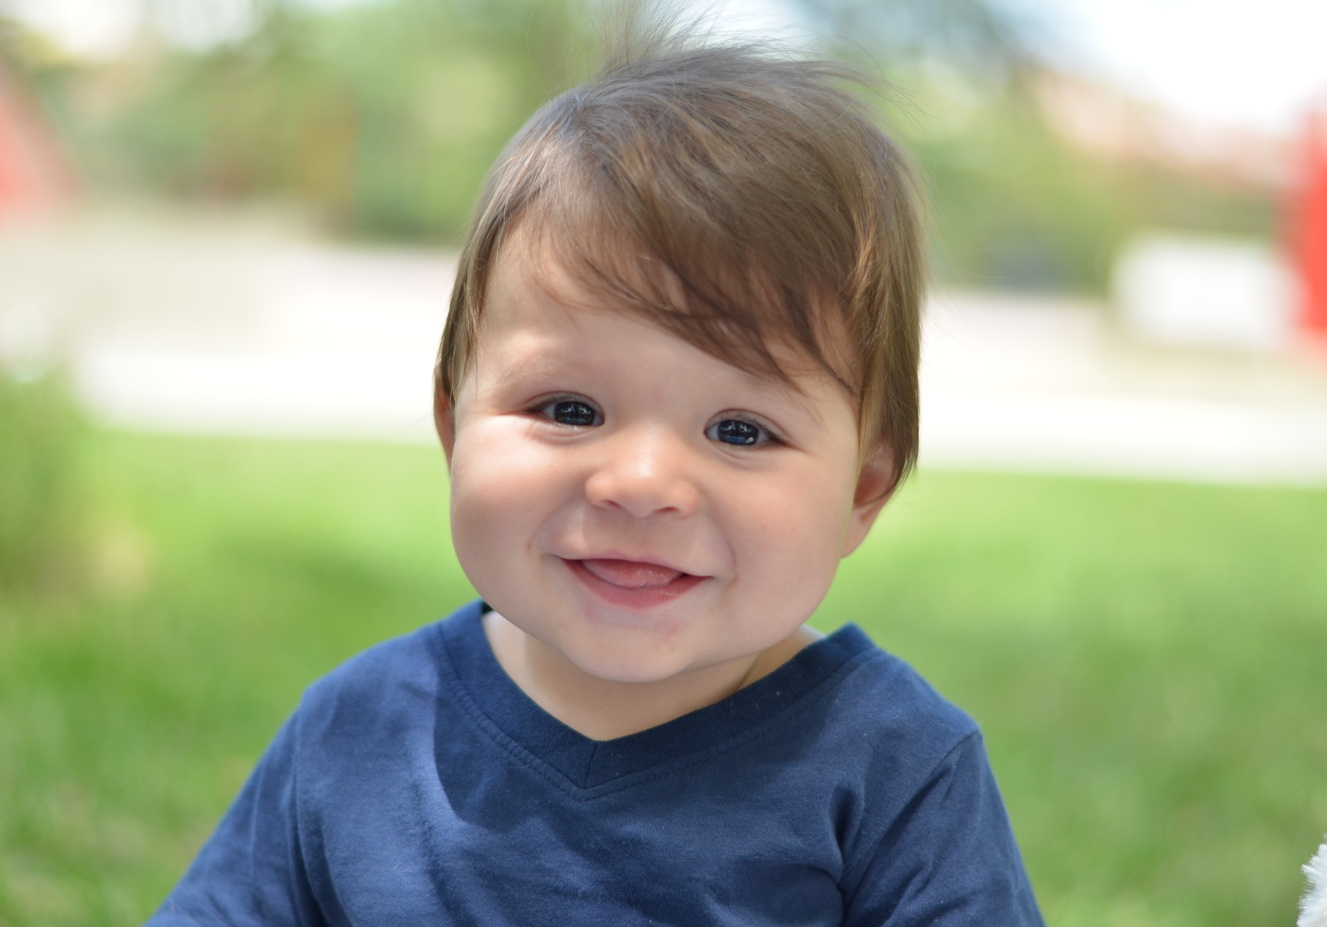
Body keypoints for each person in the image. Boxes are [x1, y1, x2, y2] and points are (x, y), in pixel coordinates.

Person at [148, 21, 1045, 927]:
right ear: (454, 427)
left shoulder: (897, 772)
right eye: (570, 409)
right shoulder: (360, 729)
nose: (642, 480)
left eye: (739, 429)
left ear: (862, 489)